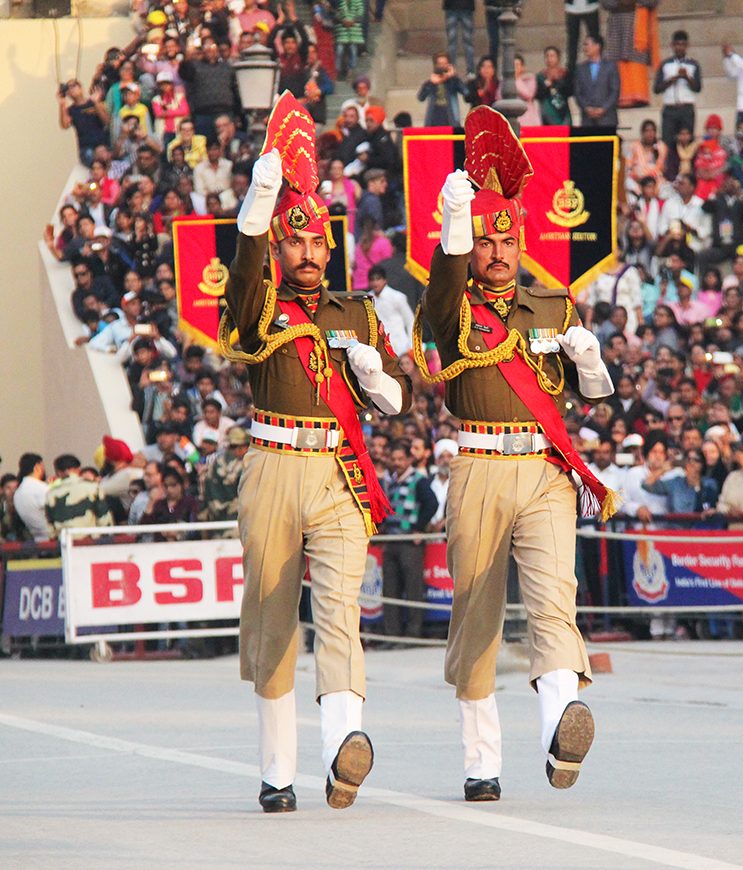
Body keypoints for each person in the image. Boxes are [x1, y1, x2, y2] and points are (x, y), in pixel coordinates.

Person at [219, 93, 412, 813]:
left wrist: (377, 378)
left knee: (340, 611)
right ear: (279, 244)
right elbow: (239, 296)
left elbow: (404, 397)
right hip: (272, 464)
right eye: (294, 242)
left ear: (331, 247)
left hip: (337, 470)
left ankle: (343, 746)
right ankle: (277, 772)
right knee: (272, 620)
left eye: (318, 243)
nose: (308, 254)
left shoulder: (355, 310)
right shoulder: (261, 304)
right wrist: (256, 208)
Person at [419, 106, 616, 802]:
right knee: (476, 615)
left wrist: (590, 362)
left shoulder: (553, 308)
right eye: (483, 240)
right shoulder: (450, 313)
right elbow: (442, 291)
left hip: (543, 469)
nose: (497, 251)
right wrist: (450, 223)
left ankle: (563, 728)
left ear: (522, 239)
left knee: (553, 603)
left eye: (507, 238)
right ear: (469, 246)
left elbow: (594, 395)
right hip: (478, 465)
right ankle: (481, 762)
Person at [380, 441, 439, 640]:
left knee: (413, 589)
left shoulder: (418, 480)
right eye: (394, 459)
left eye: (400, 459)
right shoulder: (391, 481)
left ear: (408, 459)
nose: (397, 462)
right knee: (390, 590)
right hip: (391, 540)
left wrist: (418, 528)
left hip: (409, 543)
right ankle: (392, 635)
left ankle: (413, 634)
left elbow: (432, 503)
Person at [601, 0, 660, 108]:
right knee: (617, 59)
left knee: (636, 57)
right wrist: (621, 3)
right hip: (616, 24)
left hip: (638, 22)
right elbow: (605, 3)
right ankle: (620, 97)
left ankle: (639, 97)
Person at [653, 29, 702, 146]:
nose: (680, 48)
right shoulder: (665, 64)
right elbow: (656, 89)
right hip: (670, 108)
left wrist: (687, 77)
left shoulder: (693, 64)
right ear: (672, 45)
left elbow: (698, 88)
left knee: (687, 143)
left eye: (682, 45)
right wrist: (671, 80)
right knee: (668, 142)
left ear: (687, 46)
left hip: (686, 108)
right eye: (677, 45)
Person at [45, 454, 113, 536]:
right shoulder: (93, 487)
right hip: (90, 541)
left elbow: (50, 527)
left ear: (58, 473)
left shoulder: (51, 494)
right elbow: (104, 519)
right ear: (78, 469)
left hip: (65, 543)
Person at [57, 79, 110, 167]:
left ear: (81, 88)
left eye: (74, 86)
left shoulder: (94, 102)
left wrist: (96, 103)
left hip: (102, 144)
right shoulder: (71, 110)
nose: (71, 89)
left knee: (104, 156)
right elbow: (65, 125)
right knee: (95, 161)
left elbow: (106, 121)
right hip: (86, 148)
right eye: (68, 88)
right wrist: (62, 104)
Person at [202, 426, 250, 521]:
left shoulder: (215, 462)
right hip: (235, 517)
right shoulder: (243, 465)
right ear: (240, 447)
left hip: (218, 517)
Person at [367, 265, 415, 357]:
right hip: (379, 348)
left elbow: (410, 321)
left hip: (401, 347)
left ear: (385, 280)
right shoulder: (367, 299)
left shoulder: (397, 297)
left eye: (378, 279)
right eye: (372, 280)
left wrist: (411, 345)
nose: (375, 283)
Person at [573, 35, 620, 128]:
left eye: (587, 44)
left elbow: (615, 91)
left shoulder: (611, 67)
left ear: (597, 46)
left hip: (607, 119)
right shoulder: (580, 68)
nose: (585, 48)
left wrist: (603, 108)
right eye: (584, 45)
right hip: (588, 119)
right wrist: (586, 108)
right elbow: (577, 92)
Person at [418, 52, 467, 127]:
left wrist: (453, 76)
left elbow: (466, 92)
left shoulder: (453, 81)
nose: (442, 66)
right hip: (433, 119)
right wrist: (431, 83)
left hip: (450, 119)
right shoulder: (431, 82)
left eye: (444, 63)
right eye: (440, 63)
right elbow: (420, 97)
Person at [13, 454, 51, 541]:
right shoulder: (41, 488)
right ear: (37, 467)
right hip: (51, 538)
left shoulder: (18, 493)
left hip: (35, 539)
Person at [535, 46, 573, 126]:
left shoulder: (565, 74)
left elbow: (570, 92)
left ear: (558, 58)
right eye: (547, 56)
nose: (549, 59)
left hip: (563, 112)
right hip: (548, 112)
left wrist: (558, 82)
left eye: (552, 56)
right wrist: (546, 85)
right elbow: (538, 95)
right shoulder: (541, 76)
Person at [444, 0, 476, 78]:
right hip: (462, 6)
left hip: (455, 6)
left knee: (453, 42)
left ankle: (469, 70)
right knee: (466, 42)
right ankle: (469, 70)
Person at [334, 0, 365, 79]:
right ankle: (337, 70)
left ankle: (350, 71)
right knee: (339, 51)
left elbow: (361, 12)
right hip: (342, 29)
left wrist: (353, 21)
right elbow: (336, 12)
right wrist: (342, 20)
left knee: (353, 51)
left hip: (353, 29)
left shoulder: (357, 1)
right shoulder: (340, 1)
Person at [565, 0, 600, 68]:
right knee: (572, 41)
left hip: (591, 8)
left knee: (594, 39)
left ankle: (597, 66)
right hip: (572, 9)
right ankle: (571, 69)